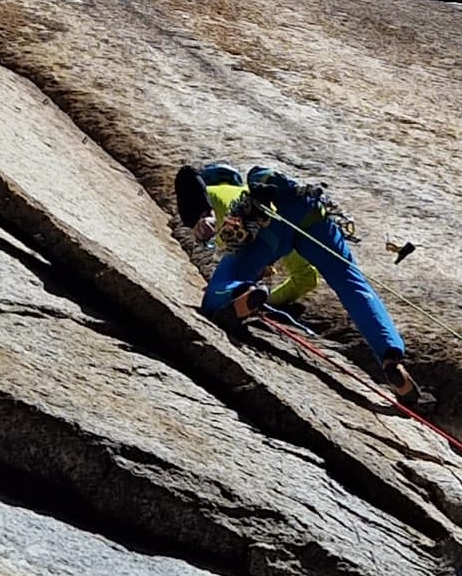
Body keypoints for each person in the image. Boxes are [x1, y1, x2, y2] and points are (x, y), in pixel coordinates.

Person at [173, 161, 417, 398]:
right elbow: (305, 277)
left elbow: (187, 177)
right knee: (353, 284)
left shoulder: (213, 191)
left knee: (219, 291)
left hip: (263, 219)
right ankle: (390, 353)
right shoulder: (256, 186)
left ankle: (236, 295)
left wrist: (202, 215)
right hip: (312, 210)